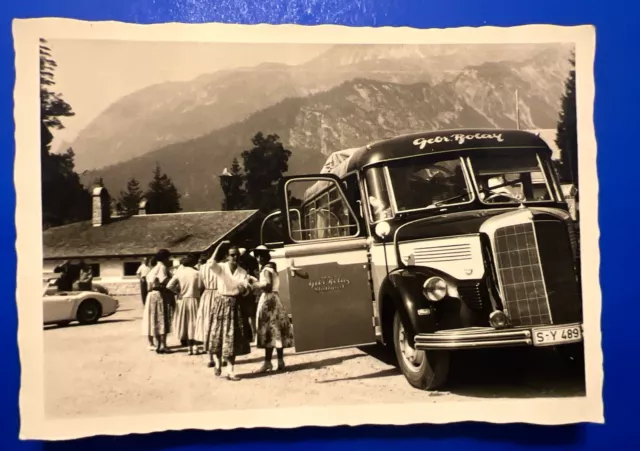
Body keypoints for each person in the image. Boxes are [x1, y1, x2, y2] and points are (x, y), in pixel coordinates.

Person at [206, 241, 252, 380]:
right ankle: (218, 362)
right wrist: (220, 246)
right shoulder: (221, 268)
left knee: (233, 337)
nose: (235, 258)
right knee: (218, 335)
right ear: (227, 256)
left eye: (237, 255)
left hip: (235, 305)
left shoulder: (242, 272)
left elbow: (244, 288)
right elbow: (210, 262)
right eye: (232, 255)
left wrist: (244, 290)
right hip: (221, 303)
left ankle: (230, 370)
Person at [251, 245, 294, 373]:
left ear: (265, 256)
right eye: (257, 255)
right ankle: (278, 361)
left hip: (269, 300)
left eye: (261, 255)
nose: (259, 258)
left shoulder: (266, 270)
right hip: (276, 299)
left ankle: (269, 362)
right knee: (275, 331)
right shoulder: (272, 267)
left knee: (269, 330)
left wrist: (254, 284)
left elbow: (267, 286)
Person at [167, 254, 203, 355]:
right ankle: (195, 346)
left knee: (185, 323)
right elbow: (201, 286)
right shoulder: (197, 273)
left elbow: (169, 286)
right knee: (194, 323)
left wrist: (177, 291)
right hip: (194, 299)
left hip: (182, 300)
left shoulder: (179, 273)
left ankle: (189, 347)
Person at [141, 249, 174, 354]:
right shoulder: (162, 267)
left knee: (154, 319)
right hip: (158, 294)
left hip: (151, 295)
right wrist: (176, 284)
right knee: (161, 318)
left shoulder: (154, 268)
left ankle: (158, 344)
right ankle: (163, 345)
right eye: (168, 258)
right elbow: (164, 280)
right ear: (164, 258)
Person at [195, 252, 218, 363]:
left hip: (207, 295)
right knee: (218, 325)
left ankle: (210, 358)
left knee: (207, 324)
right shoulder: (220, 267)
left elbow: (200, 286)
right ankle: (221, 357)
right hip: (219, 295)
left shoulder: (202, 268)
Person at [238, 247, 260, 344]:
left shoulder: (242, 265)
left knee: (249, 315)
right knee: (250, 315)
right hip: (247, 290)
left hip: (246, 291)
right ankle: (252, 335)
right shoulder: (251, 261)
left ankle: (252, 335)